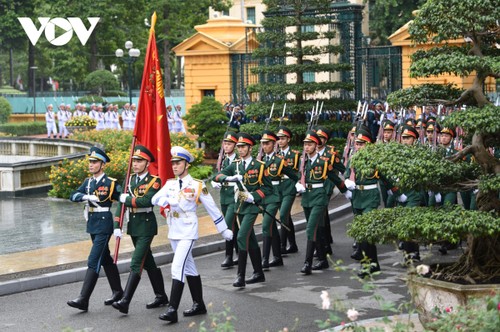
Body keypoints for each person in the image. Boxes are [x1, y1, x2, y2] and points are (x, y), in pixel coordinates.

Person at [152, 146, 233, 323]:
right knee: (189, 268)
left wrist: (223, 229)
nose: (174, 166)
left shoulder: (197, 185)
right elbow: (154, 198)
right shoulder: (170, 184)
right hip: (174, 230)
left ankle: (172, 309)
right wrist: (166, 200)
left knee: (177, 267)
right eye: (172, 163)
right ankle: (199, 304)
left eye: (178, 163)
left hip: (188, 230)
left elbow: (212, 208)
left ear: (186, 165)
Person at [111, 145, 168, 314]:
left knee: (136, 262)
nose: (135, 164)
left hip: (146, 226)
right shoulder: (129, 180)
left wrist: (127, 199)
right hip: (133, 227)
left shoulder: (154, 181)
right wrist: (117, 225)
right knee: (148, 262)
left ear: (147, 163)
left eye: (139, 161)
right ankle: (161, 296)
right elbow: (120, 206)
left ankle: (125, 301)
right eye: (134, 161)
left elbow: (147, 201)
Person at [213, 133, 273, 288]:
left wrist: (253, 196)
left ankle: (240, 276)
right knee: (250, 239)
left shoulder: (259, 165)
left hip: (252, 207)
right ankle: (259, 273)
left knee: (241, 236)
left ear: (250, 148)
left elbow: (268, 188)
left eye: (243, 147)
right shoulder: (236, 165)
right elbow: (217, 175)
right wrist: (227, 179)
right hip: (239, 206)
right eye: (238, 147)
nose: (240, 149)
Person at [67, 147, 123, 311]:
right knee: (105, 258)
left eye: (95, 162)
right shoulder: (88, 182)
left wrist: (119, 223)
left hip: (105, 224)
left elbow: (122, 200)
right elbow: (73, 195)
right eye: (90, 162)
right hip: (92, 223)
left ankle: (83, 299)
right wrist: (85, 196)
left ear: (102, 164)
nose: (91, 165)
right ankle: (118, 291)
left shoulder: (110, 183)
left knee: (94, 260)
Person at [295, 131, 346, 275]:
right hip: (307, 198)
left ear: (316, 146)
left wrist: (346, 190)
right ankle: (323, 259)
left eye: (310, 144)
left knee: (310, 228)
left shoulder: (323, 162)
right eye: (305, 144)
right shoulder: (303, 161)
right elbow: (298, 176)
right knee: (315, 228)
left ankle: (307, 263)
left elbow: (334, 178)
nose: (306, 147)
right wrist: (297, 183)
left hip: (319, 197)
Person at [344, 128, 385, 278]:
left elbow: (385, 176)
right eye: (357, 143)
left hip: (370, 196)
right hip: (357, 197)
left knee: (365, 231)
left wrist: (396, 190)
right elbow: (348, 173)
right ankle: (374, 264)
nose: (358, 146)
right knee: (362, 233)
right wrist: (347, 182)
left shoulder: (375, 159)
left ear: (368, 144)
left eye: (361, 144)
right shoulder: (353, 158)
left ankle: (366, 266)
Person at [258, 130, 298, 269]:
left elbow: (294, 176)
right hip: (265, 196)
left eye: (267, 143)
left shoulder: (280, 160)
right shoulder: (261, 161)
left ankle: (264, 260)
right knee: (271, 226)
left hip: (276, 194)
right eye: (263, 143)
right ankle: (277, 257)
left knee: (266, 224)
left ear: (273, 144)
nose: (264, 146)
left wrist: (300, 186)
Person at [211, 131, 240, 268]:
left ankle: (228, 256)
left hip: (234, 195)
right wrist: (215, 181)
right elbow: (217, 174)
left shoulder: (238, 160)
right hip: (224, 195)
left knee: (228, 225)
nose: (226, 146)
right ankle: (240, 252)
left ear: (235, 145)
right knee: (235, 226)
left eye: (229, 144)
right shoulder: (222, 159)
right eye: (225, 143)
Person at [276, 126, 300, 254]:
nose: (280, 141)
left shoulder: (295, 155)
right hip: (278, 187)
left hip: (289, 186)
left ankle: (282, 245)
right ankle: (293, 244)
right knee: (286, 216)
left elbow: (298, 172)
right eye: (278, 139)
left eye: (283, 138)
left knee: (283, 214)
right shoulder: (275, 154)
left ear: (288, 139)